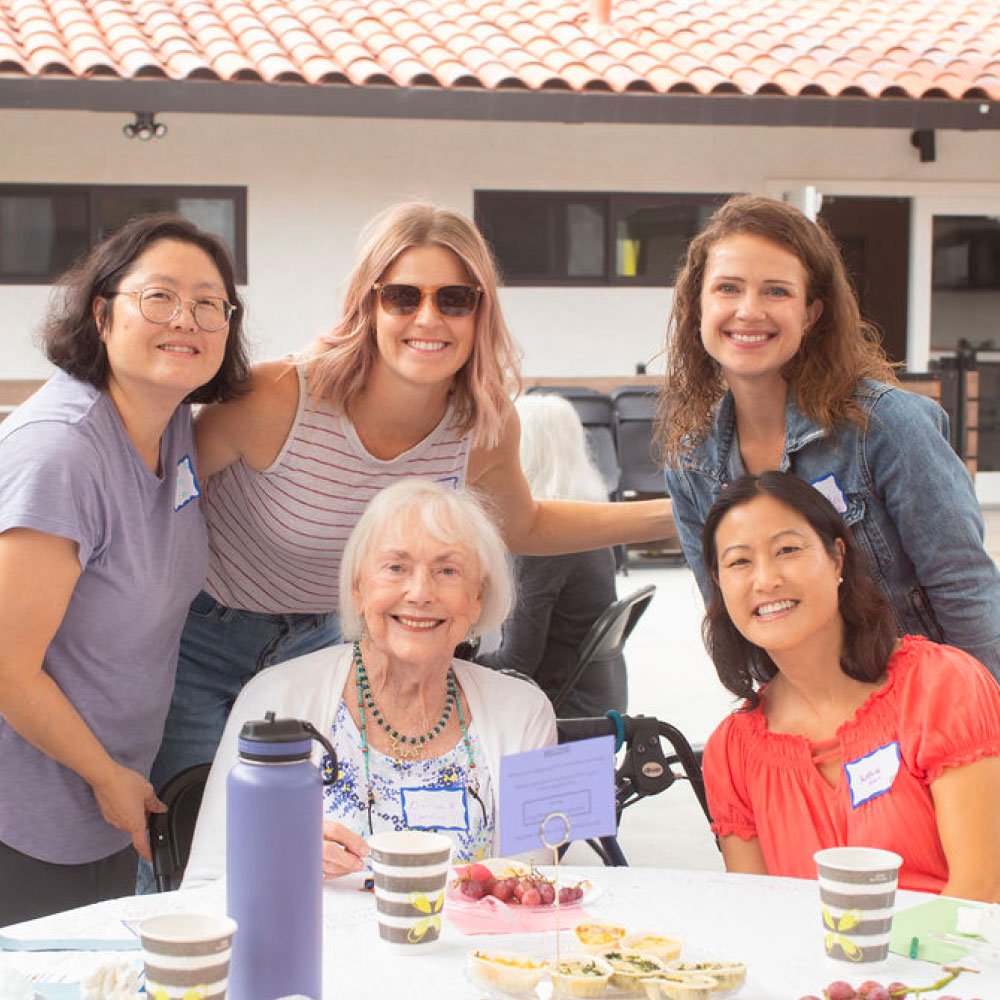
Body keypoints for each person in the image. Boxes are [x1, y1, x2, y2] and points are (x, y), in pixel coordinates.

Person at [151, 202, 670, 795]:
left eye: (454, 299)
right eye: (402, 297)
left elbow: (523, 524)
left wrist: (675, 514)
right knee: (186, 829)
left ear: (481, 313)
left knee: (309, 835)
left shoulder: (484, 422)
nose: (428, 318)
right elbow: (159, 492)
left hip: (326, 644)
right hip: (199, 636)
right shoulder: (278, 395)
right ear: (368, 305)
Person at [0, 214, 249, 923]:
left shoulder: (167, 422)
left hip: (105, 792)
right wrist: (106, 776)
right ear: (103, 313)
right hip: (26, 806)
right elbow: (6, 666)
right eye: (160, 297)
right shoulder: (61, 454)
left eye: (210, 304)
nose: (187, 320)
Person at [660, 195, 1000, 680]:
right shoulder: (689, 460)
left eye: (776, 291)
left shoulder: (886, 426)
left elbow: (964, 584)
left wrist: (984, 721)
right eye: (728, 288)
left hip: (925, 708)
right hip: (811, 715)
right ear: (698, 306)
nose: (749, 311)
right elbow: (732, 618)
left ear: (812, 313)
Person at [183, 479, 557, 886]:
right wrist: (278, 865)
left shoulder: (525, 712)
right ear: (359, 588)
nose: (419, 592)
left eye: (447, 571)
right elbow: (204, 886)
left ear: (478, 597)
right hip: (312, 947)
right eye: (396, 568)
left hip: (471, 949)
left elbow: (535, 897)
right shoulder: (277, 700)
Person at [700, 471, 1000, 900]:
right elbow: (760, 915)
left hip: (955, 963)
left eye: (787, 550)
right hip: (809, 968)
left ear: (837, 558)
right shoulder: (732, 751)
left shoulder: (940, 687)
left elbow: (981, 891)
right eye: (739, 561)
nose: (766, 580)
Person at [478, 394, 626, 717]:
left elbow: (516, 665)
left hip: (559, 709)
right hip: (600, 698)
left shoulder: (541, 545)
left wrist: (455, 661)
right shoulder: (587, 523)